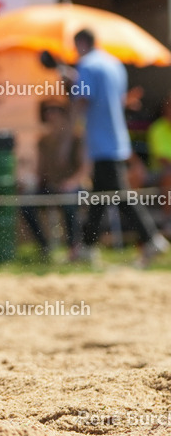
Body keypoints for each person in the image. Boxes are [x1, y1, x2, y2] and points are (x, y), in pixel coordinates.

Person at [70, 29, 169, 267]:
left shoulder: (87, 65)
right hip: (116, 137)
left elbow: (84, 99)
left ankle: (151, 239)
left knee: (119, 195)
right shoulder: (115, 64)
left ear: (82, 43)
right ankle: (87, 246)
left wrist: (70, 85)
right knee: (102, 196)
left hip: (101, 141)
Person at [20, 102, 84, 261]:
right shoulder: (43, 141)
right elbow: (40, 171)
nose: (51, 115)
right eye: (48, 111)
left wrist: (71, 182)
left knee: (69, 203)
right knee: (26, 203)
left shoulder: (76, 137)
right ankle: (45, 246)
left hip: (74, 187)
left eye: (55, 110)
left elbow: (84, 168)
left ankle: (73, 248)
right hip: (51, 187)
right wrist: (30, 182)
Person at [146, 95, 171, 230]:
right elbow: (163, 160)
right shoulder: (157, 128)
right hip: (158, 173)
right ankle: (168, 220)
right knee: (169, 174)